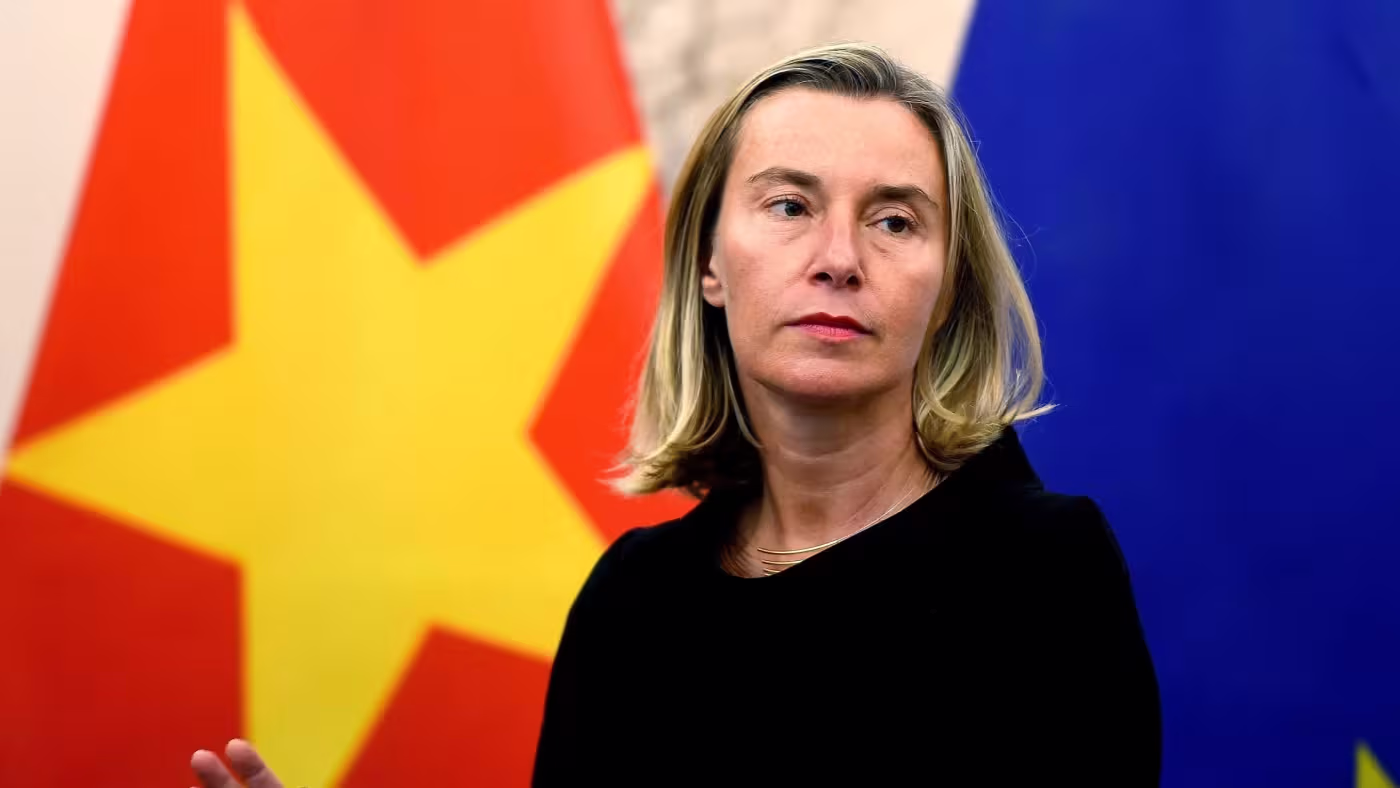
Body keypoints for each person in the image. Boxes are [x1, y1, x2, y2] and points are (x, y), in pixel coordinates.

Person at [190, 42, 1160, 788]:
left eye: (894, 219)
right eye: (789, 206)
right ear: (707, 265)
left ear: (946, 289)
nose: (838, 258)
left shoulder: (1046, 570)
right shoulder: (635, 598)